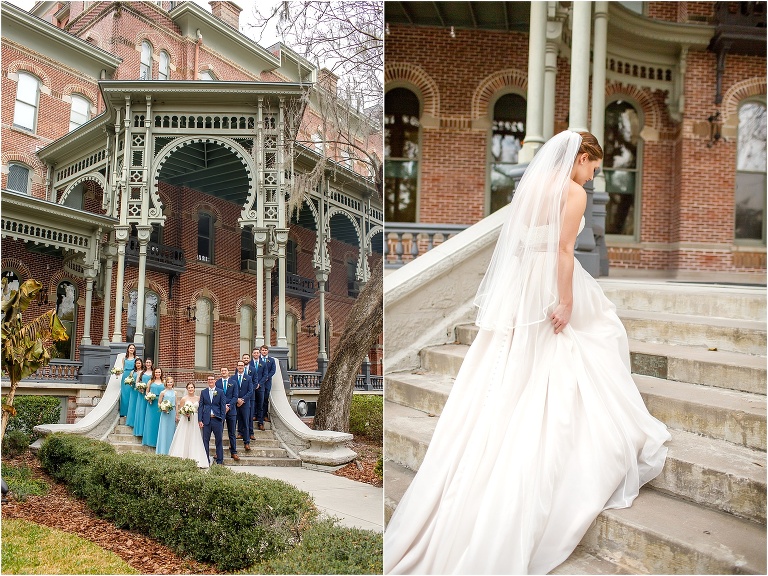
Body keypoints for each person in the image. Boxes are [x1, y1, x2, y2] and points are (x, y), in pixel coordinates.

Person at [383, 131, 670, 575]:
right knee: (600, 329)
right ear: (580, 158)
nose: (595, 176)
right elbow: (564, 250)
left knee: (524, 357)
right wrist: (565, 300)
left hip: (522, 280)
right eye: (594, 166)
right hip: (551, 278)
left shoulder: (532, 187)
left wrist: (523, 291)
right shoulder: (572, 192)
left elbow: (518, 244)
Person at [169, 382, 210, 468]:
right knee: (184, 436)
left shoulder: (198, 398)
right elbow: (181, 409)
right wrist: (185, 413)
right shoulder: (184, 398)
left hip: (195, 419)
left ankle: (195, 458)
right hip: (185, 420)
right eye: (189, 388)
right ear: (187, 389)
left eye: (192, 387)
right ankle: (182, 457)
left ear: (194, 389)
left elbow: (201, 409)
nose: (191, 389)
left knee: (194, 437)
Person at [199, 374, 226, 465]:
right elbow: (201, 407)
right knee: (205, 441)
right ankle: (206, 460)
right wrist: (200, 420)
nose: (210, 381)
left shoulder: (220, 392)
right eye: (209, 379)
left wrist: (222, 418)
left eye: (212, 379)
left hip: (217, 419)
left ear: (215, 381)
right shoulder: (203, 392)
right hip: (206, 420)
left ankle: (220, 461)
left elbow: (223, 406)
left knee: (218, 440)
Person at [218, 366, 239, 462]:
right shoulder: (217, 383)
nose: (223, 372)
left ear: (228, 372)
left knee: (232, 433)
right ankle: (219, 453)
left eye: (225, 370)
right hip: (220, 411)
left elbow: (235, 396)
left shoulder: (234, 383)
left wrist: (229, 406)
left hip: (232, 411)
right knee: (219, 432)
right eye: (222, 371)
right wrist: (223, 406)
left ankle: (234, 452)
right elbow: (217, 396)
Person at [231, 360, 252, 452]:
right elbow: (230, 392)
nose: (240, 367)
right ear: (236, 367)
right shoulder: (232, 378)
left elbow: (250, 391)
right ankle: (232, 444)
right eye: (239, 365)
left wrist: (242, 400)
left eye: (242, 365)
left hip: (245, 404)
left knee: (246, 423)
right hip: (235, 404)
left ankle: (246, 442)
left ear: (244, 367)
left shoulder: (248, 378)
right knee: (233, 424)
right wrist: (236, 400)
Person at [141, 367, 165, 448]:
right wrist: (149, 397)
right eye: (156, 372)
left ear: (161, 373)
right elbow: (147, 391)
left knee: (159, 422)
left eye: (159, 372)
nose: (158, 374)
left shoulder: (164, 382)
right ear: (154, 373)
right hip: (152, 403)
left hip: (160, 403)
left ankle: (158, 442)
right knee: (151, 421)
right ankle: (149, 441)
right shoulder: (150, 381)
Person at [254, 345, 276, 431]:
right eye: (262, 350)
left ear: (267, 351)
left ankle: (264, 415)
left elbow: (273, 370)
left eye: (265, 350)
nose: (264, 352)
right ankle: (255, 414)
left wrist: (267, 377)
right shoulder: (257, 360)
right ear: (260, 351)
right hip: (257, 382)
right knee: (256, 399)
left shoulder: (271, 360)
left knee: (265, 398)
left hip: (266, 382)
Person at [155, 376, 177, 455]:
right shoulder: (163, 392)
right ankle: (163, 450)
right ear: (166, 383)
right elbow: (159, 403)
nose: (170, 384)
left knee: (171, 430)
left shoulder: (175, 392)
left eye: (171, 382)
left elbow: (176, 404)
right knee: (164, 430)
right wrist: (162, 408)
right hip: (164, 413)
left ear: (173, 383)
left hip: (172, 412)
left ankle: (171, 450)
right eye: (168, 382)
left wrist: (176, 415)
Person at [132, 358, 153, 438]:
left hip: (150, 394)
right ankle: (140, 431)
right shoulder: (141, 372)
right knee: (141, 411)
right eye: (147, 362)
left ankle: (147, 431)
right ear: (145, 363)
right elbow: (137, 383)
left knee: (148, 412)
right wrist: (140, 388)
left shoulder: (153, 373)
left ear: (151, 363)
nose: (148, 364)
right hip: (141, 394)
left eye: (149, 362)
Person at [119, 344, 137, 418]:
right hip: (125, 376)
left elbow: (138, 368)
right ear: (128, 349)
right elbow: (123, 368)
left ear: (134, 350)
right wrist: (118, 373)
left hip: (133, 375)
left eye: (133, 348)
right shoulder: (124, 358)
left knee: (132, 394)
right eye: (130, 348)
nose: (132, 349)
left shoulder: (136, 358)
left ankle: (132, 412)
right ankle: (124, 412)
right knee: (125, 395)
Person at [125, 357, 143, 428]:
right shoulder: (132, 372)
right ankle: (131, 422)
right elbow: (130, 379)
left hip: (140, 390)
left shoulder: (143, 372)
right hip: (133, 390)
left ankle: (137, 421)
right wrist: (129, 382)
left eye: (139, 363)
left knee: (138, 406)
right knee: (132, 405)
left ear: (141, 364)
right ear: (135, 364)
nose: (138, 364)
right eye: (136, 363)